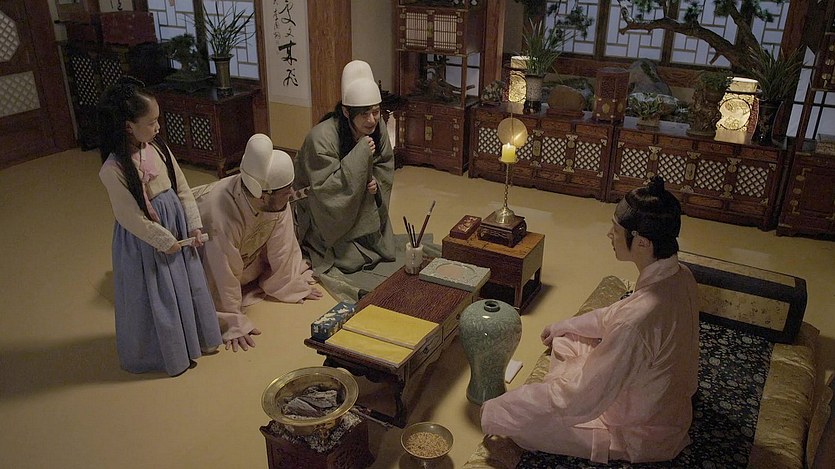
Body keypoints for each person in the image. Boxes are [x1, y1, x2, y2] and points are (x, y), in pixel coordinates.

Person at [480, 176, 699, 464]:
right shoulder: (681, 275)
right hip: (655, 394)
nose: (609, 235)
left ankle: (549, 394)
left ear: (642, 243)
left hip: (638, 427)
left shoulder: (637, 320)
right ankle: (560, 384)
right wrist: (563, 326)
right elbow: (614, 316)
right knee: (566, 337)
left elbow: (582, 396)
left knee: (518, 425)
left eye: (615, 230)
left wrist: (499, 407)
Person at [97, 77, 222, 377]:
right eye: (151, 122)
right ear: (128, 126)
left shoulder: (158, 148)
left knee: (186, 285)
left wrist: (192, 225)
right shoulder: (112, 169)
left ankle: (193, 340)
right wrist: (163, 240)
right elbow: (129, 216)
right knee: (158, 293)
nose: (158, 127)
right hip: (146, 240)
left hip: (175, 224)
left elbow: (182, 189)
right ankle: (166, 352)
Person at [194, 134, 323, 352]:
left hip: (244, 256)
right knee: (217, 273)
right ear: (262, 195)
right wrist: (232, 321)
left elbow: (283, 244)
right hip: (204, 261)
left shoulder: (274, 199)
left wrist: (289, 284)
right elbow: (220, 270)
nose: (291, 195)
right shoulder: (219, 213)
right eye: (286, 192)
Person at [293, 60, 396, 275]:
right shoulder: (320, 138)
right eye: (364, 114)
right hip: (325, 211)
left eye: (376, 112)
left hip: (363, 200)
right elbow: (324, 189)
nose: (372, 120)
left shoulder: (378, 126)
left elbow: (384, 164)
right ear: (346, 112)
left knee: (380, 247)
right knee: (350, 260)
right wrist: (360, 155)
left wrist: (375, 183)